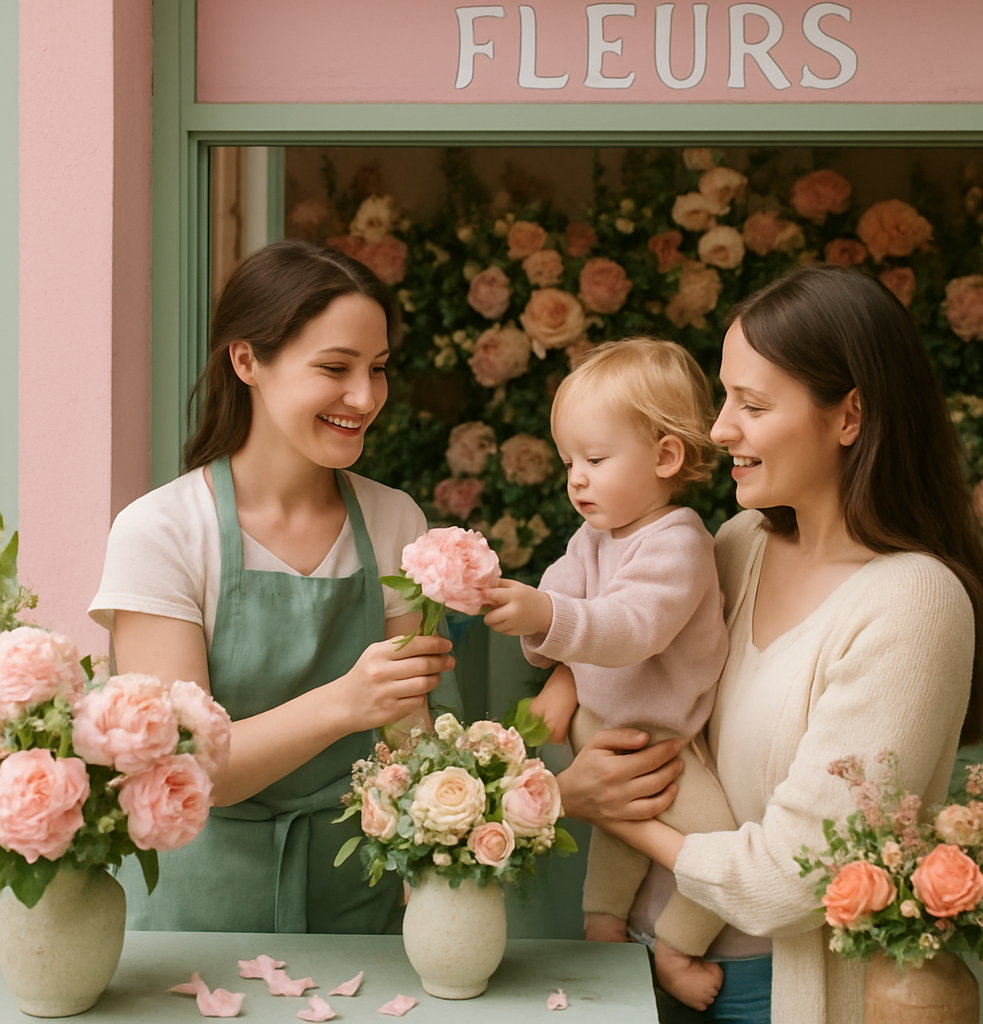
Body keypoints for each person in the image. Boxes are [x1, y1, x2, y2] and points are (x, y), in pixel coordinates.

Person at [553, 265, 983, 1024]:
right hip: (640, 965)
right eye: (725, 397)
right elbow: (629, 659)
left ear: (850, 416)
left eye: (753, 404)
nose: (718, 428)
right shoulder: (738, 544)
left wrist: (613, 811)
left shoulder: (913, 603)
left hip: (771, 994)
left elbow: (792, 879)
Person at [88, 240, 457, 934]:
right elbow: (188, 767)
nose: (365, 397)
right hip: (193, 917)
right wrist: (347, 701)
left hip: (355, 901)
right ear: (246, 360)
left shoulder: (394, 520)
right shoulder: (162, 531)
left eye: (378, 368)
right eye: (335, 368)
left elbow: (409, 736)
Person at [484, 338, 737, 1012]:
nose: (576, 479)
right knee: (703, 838)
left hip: (648, 730)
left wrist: (545, 615)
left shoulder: (679, 541)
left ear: (665, 457)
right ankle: (656, 943)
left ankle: (644, 937)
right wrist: (519, 610)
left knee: (694, 844)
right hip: (623, 726)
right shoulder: (591, 539)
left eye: (595, 460)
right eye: (569, 462)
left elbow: (632, 627)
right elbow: (556, 612)